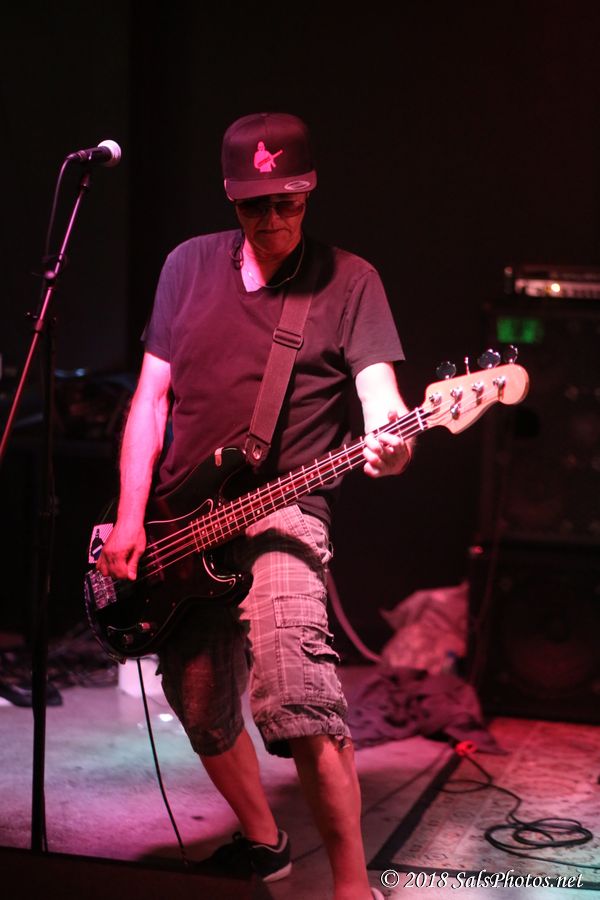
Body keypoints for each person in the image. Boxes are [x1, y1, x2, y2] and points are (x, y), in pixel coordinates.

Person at [98, 111, 413, 900]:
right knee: (200, 705)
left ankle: (352, 887)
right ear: (231, 196)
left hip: (285, 510)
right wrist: (131, 518)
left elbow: (382, 398)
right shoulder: (186, 266)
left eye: (288, 202)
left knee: (299, 694)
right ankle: (265, 841)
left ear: (310, 193)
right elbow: (151, 400)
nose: (272, 219)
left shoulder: (351, 281)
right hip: (178, 520)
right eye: (255, 204)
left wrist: (394, 440)